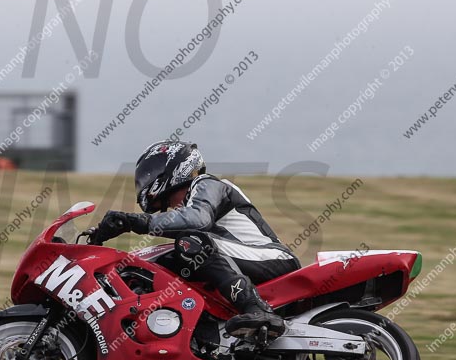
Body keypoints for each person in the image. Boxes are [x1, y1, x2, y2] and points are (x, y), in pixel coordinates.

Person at [94, 140, 301, 339]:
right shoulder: (190, 205)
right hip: (247, 259)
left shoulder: (207, 183)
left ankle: (256, 308)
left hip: (274, 257)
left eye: (150, 173)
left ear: (173, 167)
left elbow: (198, 219)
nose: (146, 180)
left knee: (191, 242)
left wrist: (134, 222)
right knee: (160, 261)